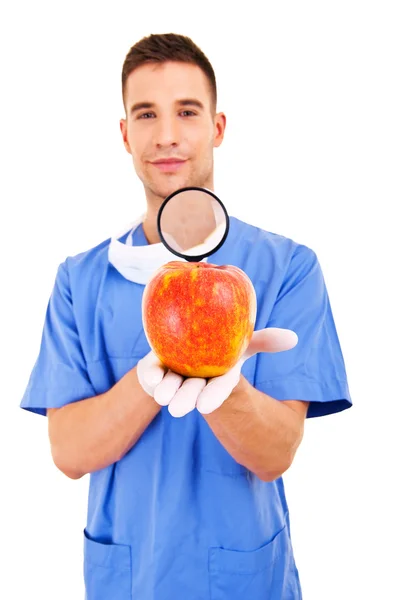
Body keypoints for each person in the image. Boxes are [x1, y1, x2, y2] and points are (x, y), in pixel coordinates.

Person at [20, 33, 352, 600]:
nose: (167, 135)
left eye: (187, 112)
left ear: (217, 128)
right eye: (146, 113)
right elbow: (68, 453)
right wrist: (155, 375)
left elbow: (277, 454)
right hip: (127, 581)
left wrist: (226, 386)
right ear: (125, 134)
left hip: (245, 581)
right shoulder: (80, 280)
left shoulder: (288, 268)